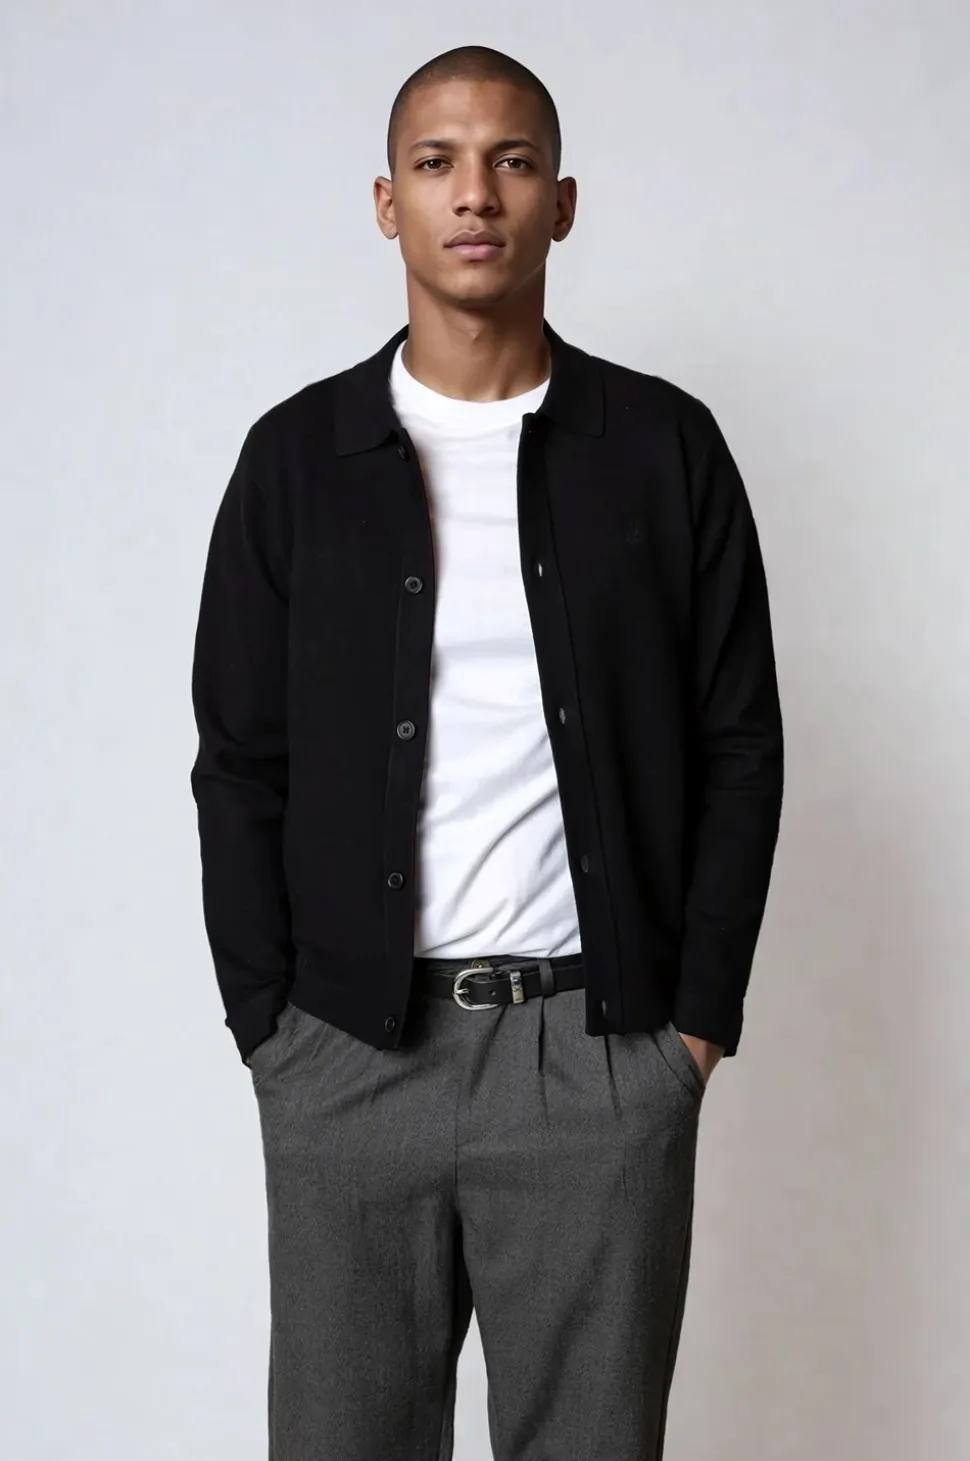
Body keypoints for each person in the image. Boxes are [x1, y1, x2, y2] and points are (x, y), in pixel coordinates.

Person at [189, 43, 784, 1461]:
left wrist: (689, 1031)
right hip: (349, 1057)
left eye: (512, 162)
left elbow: (739, 744)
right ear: (386, 202)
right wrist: (274, 1031)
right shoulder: (296, 460)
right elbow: (239, 761)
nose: (476, 194)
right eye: (438, 162)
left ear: (561, 202)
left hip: (598, 1057)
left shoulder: (663, 448)